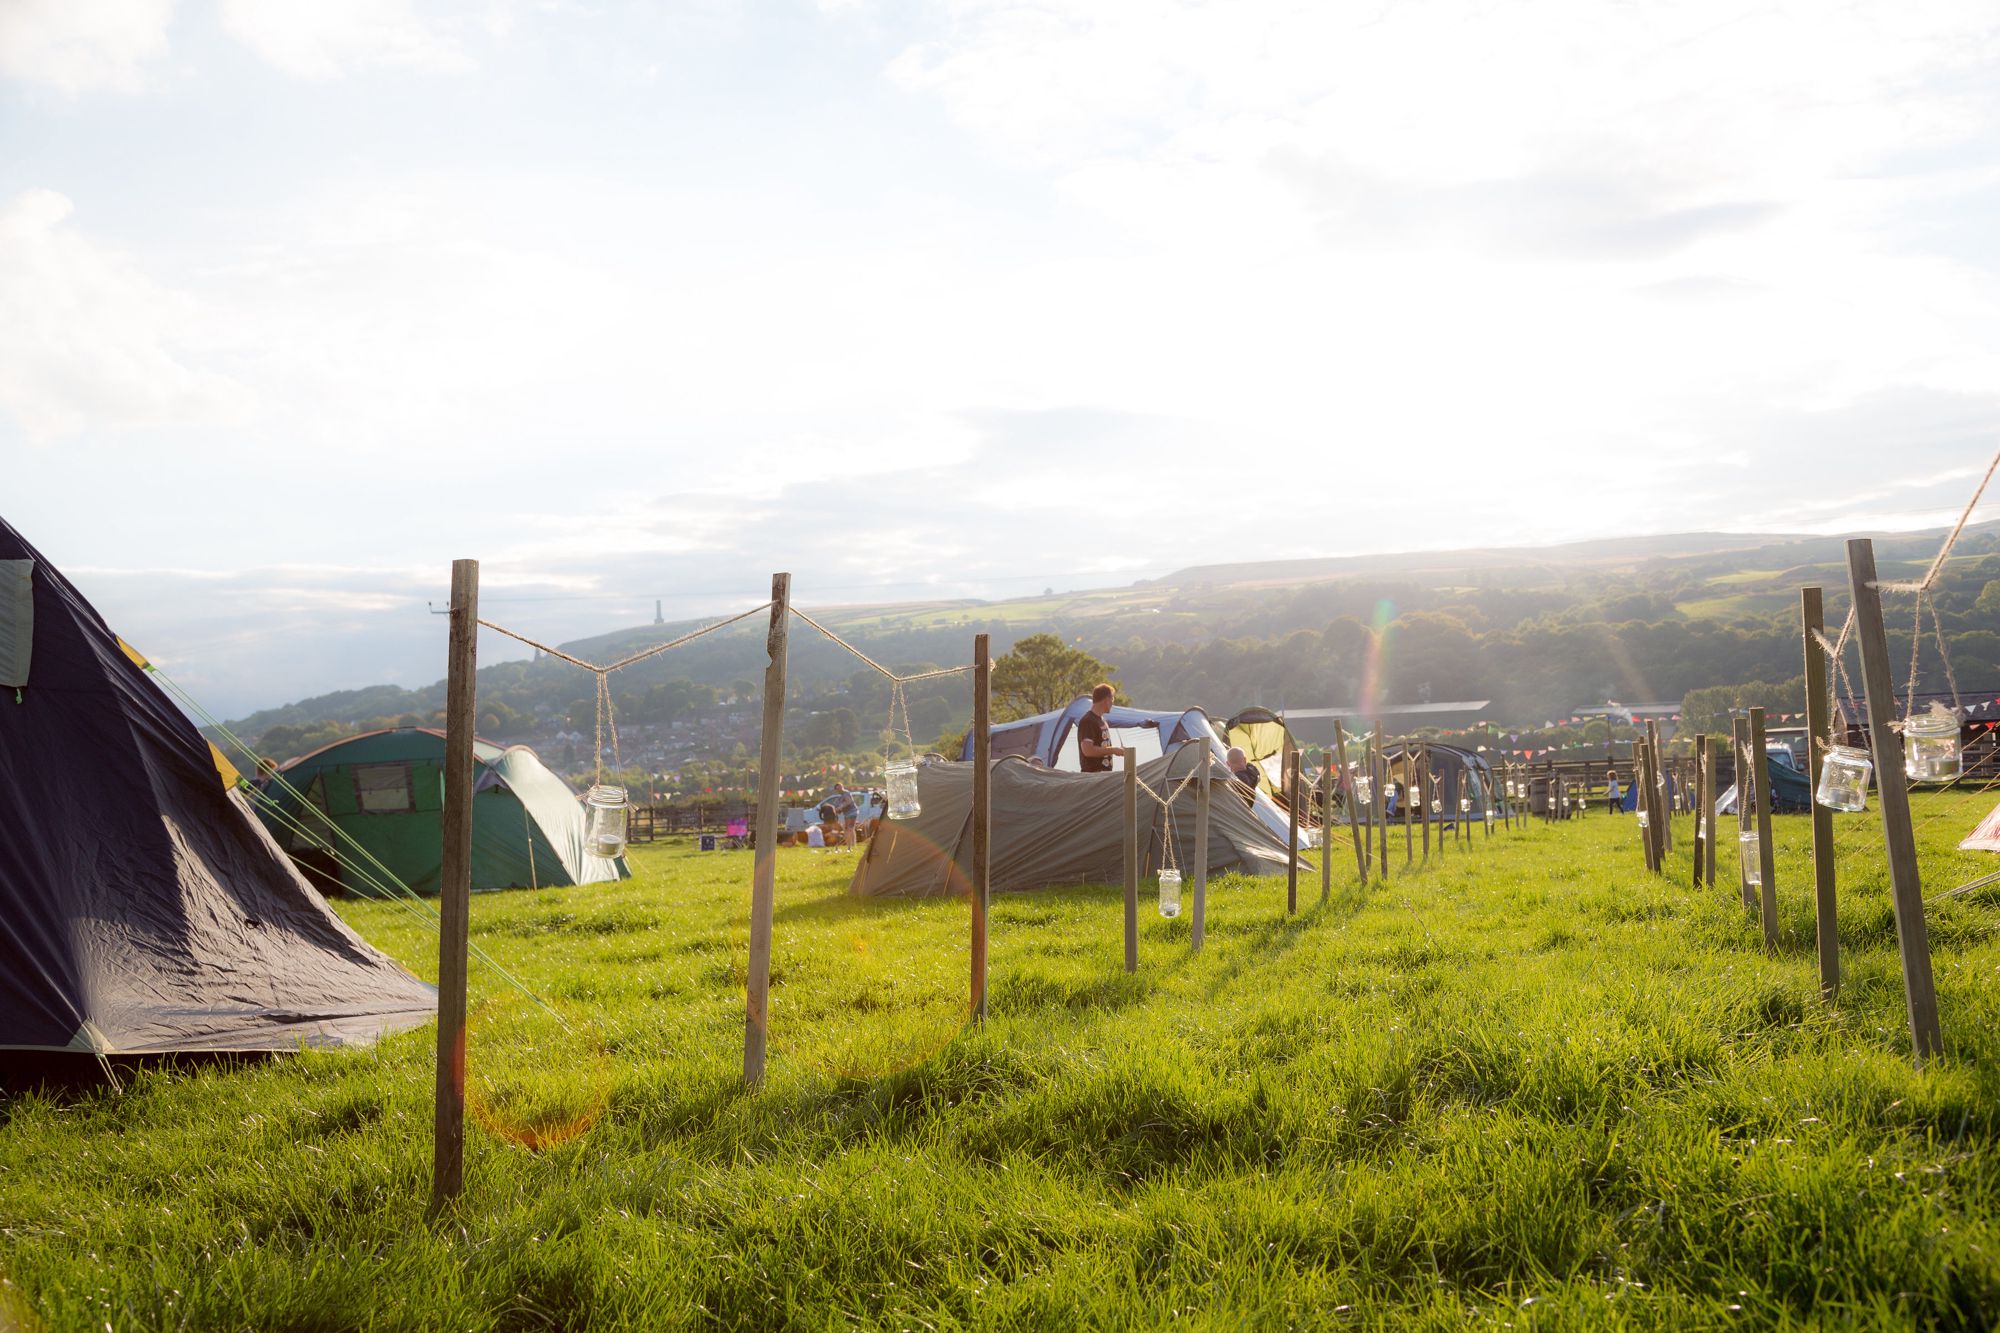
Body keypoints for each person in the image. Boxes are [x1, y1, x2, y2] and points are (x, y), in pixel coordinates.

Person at [1076, 683, 1131, 773]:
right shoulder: (1088, 721)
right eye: (1112, 698)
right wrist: (1113, 750)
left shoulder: (1102, 720)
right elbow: (1088, 750)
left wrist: (1118, 750)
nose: (1113, 702)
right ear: (1106, 700)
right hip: (1093, 776)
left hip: (1104, 775)